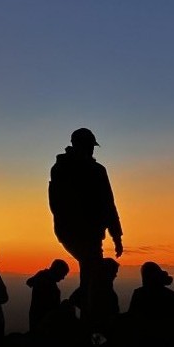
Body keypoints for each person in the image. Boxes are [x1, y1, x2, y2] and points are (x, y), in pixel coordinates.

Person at [48, 128, 123, 330]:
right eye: (90, 146)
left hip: (69, 232)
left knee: (90, 272)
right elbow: (108, 204)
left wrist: (116, 235)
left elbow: (55, 203)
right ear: (83, 145)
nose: (91, 150)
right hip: (83, 233)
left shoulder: (59, 168)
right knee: (93, 274)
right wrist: (116, 236)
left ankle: (87, 319)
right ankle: (91, 323)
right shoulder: (95, 171)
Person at [126, 261, 174, 347]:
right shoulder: (173, 296)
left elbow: (132, 317)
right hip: (169, 344)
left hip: (145, 344)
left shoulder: (139, 294)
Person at [26, 258, 70, 332]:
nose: (63, 278)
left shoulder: (42, 275)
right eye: (63, 274)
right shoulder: (49, 284)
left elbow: (29, 282)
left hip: (36, 317)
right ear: (58, 271)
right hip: (43, 321)